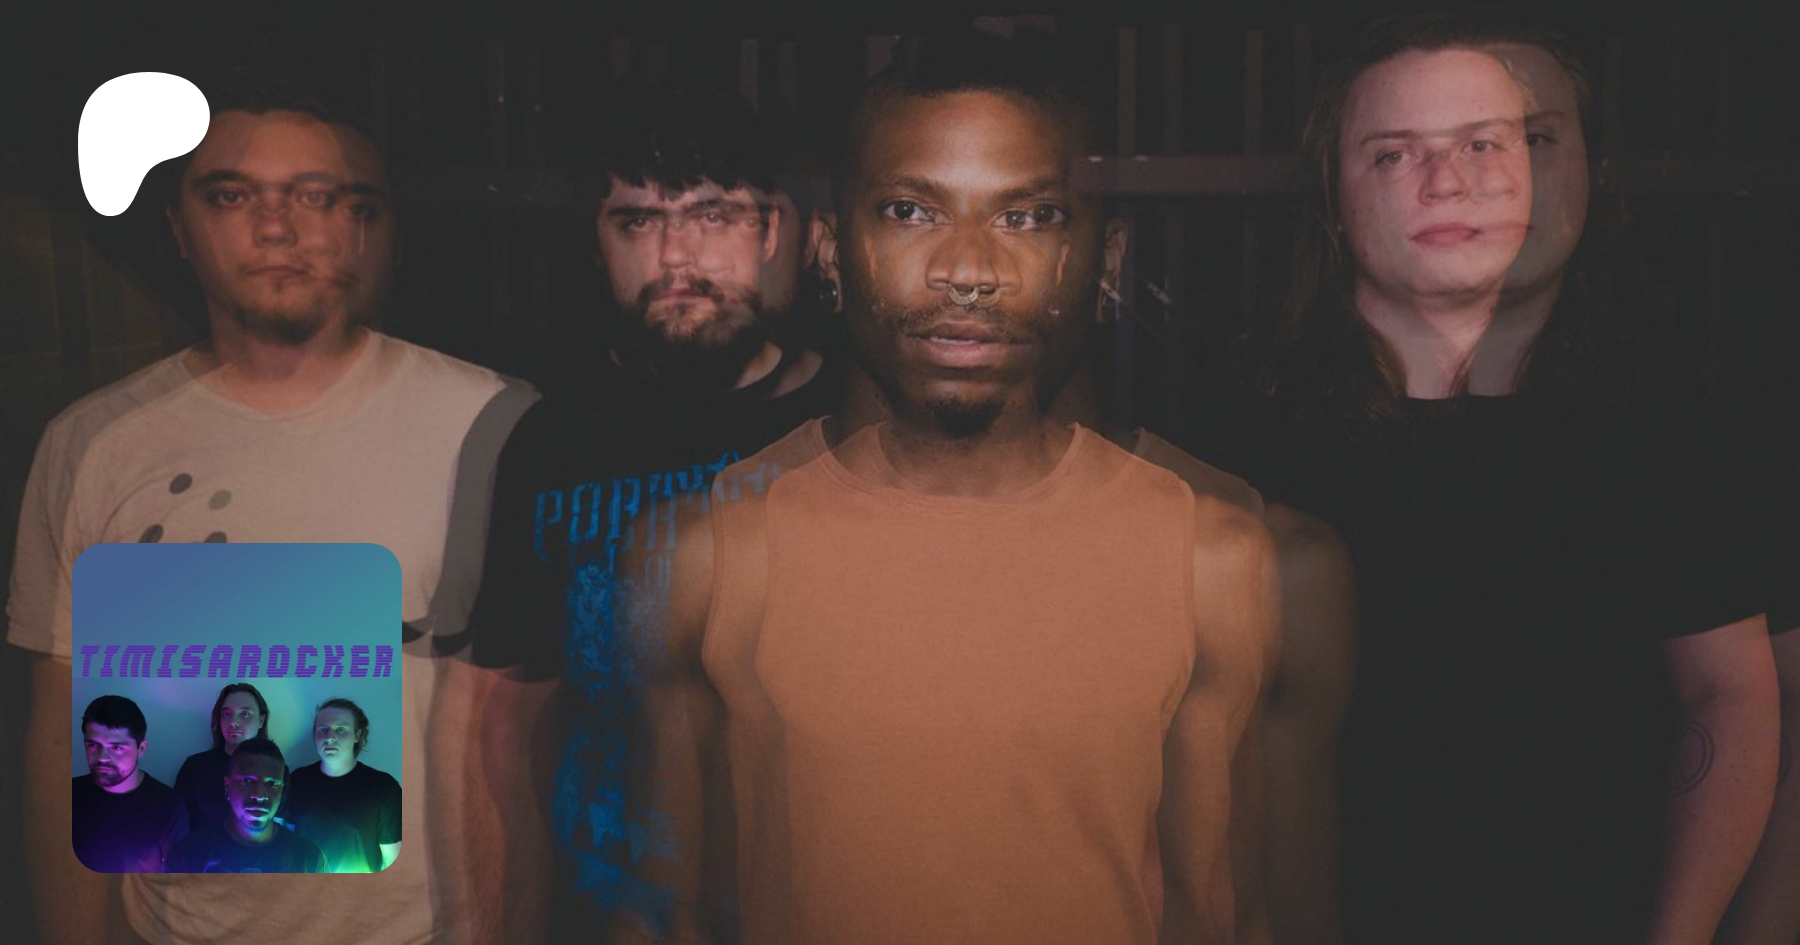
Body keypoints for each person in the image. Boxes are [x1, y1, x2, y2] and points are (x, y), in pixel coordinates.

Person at [613, 29, 1278, 943]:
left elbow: (1221, 916)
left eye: (1026, 218)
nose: (968, 270)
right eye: (910, 211)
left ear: (1104, 259)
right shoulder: (705, 553)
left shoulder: (1210, 556)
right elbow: (658, 913)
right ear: (830, 251)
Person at [1232, 13, 1779, 944]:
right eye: (1394, 154)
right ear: (1332, 197)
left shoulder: (1664, 422)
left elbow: (1728, 695)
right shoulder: (1240, 434)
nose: (1446, 181)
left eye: (1484, 143)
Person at [9, 72, 529, 944]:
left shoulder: (493, 426)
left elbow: (542, 735)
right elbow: (65, 742)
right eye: (231, 194)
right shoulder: (93, 447)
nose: (277, 226)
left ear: (365, 226)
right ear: (179, 226)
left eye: (314, 197)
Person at [433, 85, 837, 943]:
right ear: (597, 242)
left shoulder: (853, 424)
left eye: (713, 215)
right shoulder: (550, 440)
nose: (676, 255)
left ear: (773, 232)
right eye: (638, 221)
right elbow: (506, 719)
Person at [165, 736, 326, 873]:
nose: (260, 795)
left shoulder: (309, 860)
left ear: (282, 789)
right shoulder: (187, 856)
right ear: (227, 785)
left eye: (272, 784)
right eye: (247, 781)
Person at [71, 695, 189, 873]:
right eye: (93, 745)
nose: (102, 757)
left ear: (141, 748)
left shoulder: (168, 806)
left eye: (116, 747)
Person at [284, 698, 402, 873]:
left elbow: (392, 860)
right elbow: (288, 842)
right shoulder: (297, 781)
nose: (329, 737)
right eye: (322, 730)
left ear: (357, 735)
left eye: (340, 729)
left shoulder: (384, 788)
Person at [172, 682, 268, 836]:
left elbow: (280, 829)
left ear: (261, 721)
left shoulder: (275, 771)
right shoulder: (194, 768)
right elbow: (178, 828)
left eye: (245, 713)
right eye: (226, 714)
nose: (233, 722)